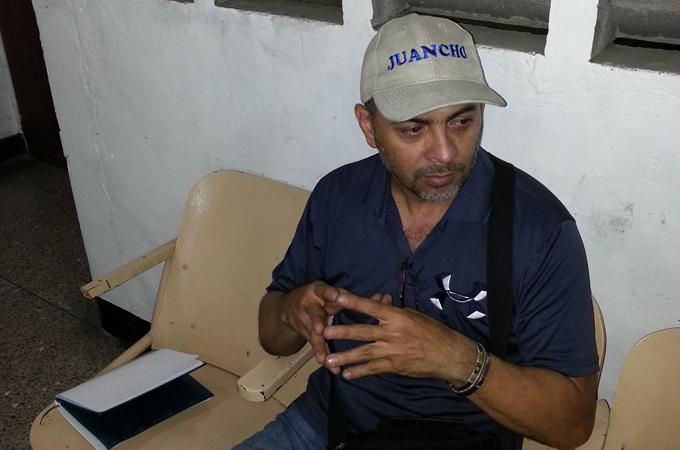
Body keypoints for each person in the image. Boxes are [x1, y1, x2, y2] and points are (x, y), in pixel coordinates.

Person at [234, 13, 599, 450]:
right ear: (369, 127)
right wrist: (292, 311)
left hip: (465, 439)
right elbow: (271, 336)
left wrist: (453, 357)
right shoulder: (338, 197)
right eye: (413, 128)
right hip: (329, 426)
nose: (444, 152)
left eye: (461, 122)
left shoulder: (539, 231)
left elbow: (572, 425)